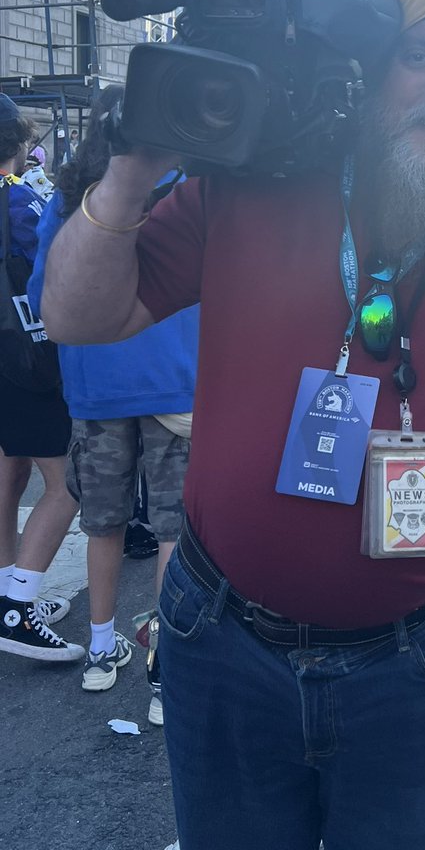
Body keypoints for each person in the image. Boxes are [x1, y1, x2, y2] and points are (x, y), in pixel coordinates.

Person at [40, 0, 425, 850]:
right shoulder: (255, 180)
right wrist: (132, 166)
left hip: (417, 667)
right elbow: (80, 316)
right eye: (420, 54)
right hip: (217, 639)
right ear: (372, 69)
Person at [28, 85, 198, 723]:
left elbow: (47, 294)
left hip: (96, 387)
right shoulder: (187, 191)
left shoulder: (75, 200)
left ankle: (102, 650)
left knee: (102, 523)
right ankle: (165, 675)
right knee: (172, 535)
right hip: (176, 383)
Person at [0, 94, 83, 663]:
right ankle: (19, 604)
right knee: (68, 481)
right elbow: (58, 266)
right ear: (20, 143)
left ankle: (6, 591)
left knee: (10, 469)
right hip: (25, 356)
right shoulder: (23, 197)